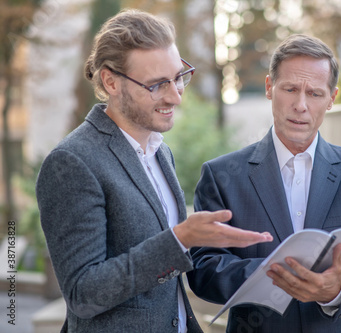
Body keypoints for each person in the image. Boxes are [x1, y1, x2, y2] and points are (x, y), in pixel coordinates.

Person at [36, 9, 272, 333]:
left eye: (178, 76)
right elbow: (83, 293)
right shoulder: (72, 163)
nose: (175, 94)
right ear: (110, 81)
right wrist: (181, 238)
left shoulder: (160, 151)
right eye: (158, 84)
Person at [187, 34, 341, 332]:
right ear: (270, 88)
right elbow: (204, 267)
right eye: (291, 89)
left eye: (315, 93)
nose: (300, 105)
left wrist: (336, 287)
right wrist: (272, 276)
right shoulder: (221, 176)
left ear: (332, 99)